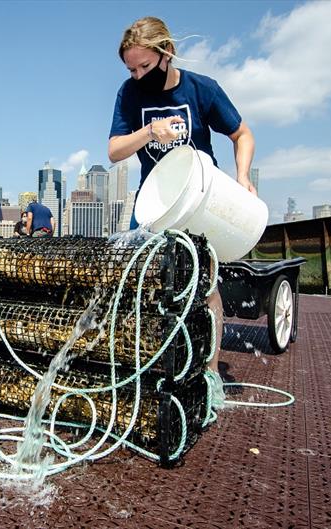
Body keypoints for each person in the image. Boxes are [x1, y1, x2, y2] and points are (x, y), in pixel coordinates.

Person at [107, 16, 256, 379]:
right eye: (132, 69)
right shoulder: (129, 93)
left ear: (167, 53)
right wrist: (148, 132)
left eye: (145, 66)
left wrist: (242, 176)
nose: (139, 75)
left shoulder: (203, 89)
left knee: (205, 286)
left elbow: (242, 134)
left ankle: (210, 371)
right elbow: (114, 151)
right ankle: (147, 365)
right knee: (139, 285)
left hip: (201, 200)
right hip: (153, 203)